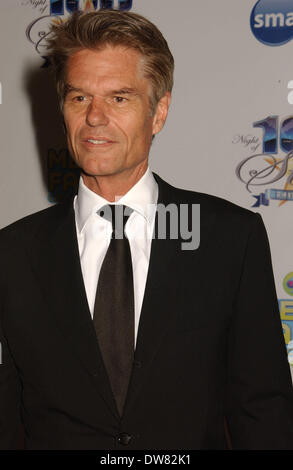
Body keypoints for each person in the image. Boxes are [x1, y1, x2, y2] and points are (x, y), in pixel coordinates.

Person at [0, 9, 293, 451]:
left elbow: (264, 413)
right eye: (79, 97)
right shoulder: (13, 254)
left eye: (119, 98)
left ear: (159, 112)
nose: (95, 117)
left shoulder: (231, 240)